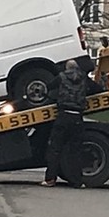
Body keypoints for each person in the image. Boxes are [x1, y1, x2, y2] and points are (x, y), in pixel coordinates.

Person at [41, 60, 88, 188]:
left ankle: (50, 179)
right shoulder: (83, 78)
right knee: (75, 150)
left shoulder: (61, 77)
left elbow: (48, 86)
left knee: (55, 149)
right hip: (77, 117)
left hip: (63, 115)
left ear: (66, 68)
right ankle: (77, 182)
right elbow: (94, 89)